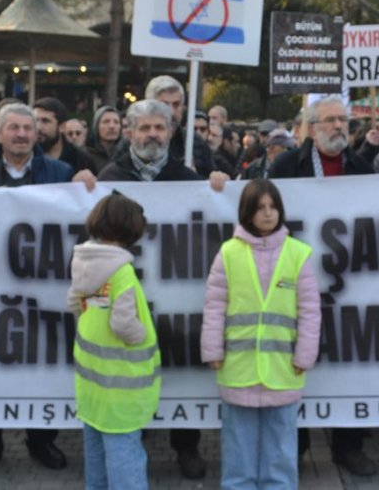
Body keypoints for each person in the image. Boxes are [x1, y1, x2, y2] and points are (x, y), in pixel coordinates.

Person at [95, 98, 228, 479]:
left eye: (159, 128)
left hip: (176, 297)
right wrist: (81, 187)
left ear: (170, 132)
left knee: (179, 366)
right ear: (130, 132)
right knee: (132, 369)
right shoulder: (108, 177)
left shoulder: (188, 179)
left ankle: (186, 447)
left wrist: (219, 188)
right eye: (145, 128)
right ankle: (132, 444)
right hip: (126, 295)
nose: (152, 135)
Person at [0, 104, 75, 473]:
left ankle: (42, 441)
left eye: (29, 128)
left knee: (43, 361)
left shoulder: (59, 172)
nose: (22, 134)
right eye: (14, 128)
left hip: (41, 286)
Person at [269, 96, 377, 476]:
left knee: (348, 360)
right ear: (311, 128)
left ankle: (349, 446)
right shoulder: (285, 166)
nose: (337, 128)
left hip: (349, 283)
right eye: (329, 121)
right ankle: (295, 448)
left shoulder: (364, 167)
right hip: (295, 280)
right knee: (297, 362)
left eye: (343, 121)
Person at [201, 179, 321, 490]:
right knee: (238, 447)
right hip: (238, 368)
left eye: (273, 207)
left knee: (280, 448)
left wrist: (305, 354)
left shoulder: (298, 253)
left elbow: (310, 310)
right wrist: (212, 350)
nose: (267, 214)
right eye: (260, 208)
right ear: (247, 213)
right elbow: (215, 304)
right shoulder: (228, 252)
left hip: (283, 368)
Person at [67, 193, 159, 490]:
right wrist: (141, 334)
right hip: (122, 386)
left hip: (91, 384)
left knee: (95, 453)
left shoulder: (82, 262)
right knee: (125, 455)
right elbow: (123, 323)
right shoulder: (122, 272)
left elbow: (73, 303)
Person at [33, 97, 97, 177]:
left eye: (45, 121)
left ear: (62, 127)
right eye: (35, 121)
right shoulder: (25, 156)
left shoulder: (81, 160)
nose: (38, 127)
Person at [85, 106, 122, 174]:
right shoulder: (84, 155)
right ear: (96, 126)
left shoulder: (127, 154)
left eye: (116, 122)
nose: (112, 126)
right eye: (106, 122)